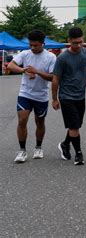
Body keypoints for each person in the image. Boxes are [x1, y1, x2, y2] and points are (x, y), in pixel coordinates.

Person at [8, 30, 56, 163]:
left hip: (41, 95)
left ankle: (38, 147)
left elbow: (53, 77)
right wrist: (23, 70)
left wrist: (37, 72)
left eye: (36, 45)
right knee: (22, 120)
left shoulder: (51, 57)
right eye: (31, 45)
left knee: (40, 122)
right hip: (25, 93)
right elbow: (11, 65)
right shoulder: (24, 54)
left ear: (43, 44)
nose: (33, 48)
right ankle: (22, 151)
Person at [52, 27, 86, 166]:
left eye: (80, 42)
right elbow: (55, 80)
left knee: (76, 125)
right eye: (75, 43)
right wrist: (55, 99)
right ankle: (79, 154)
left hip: (80, 96)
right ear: (69, 41)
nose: (78, 45)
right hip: (66, 96)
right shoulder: (62, 58)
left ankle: (65, 144)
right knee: (74, 127)